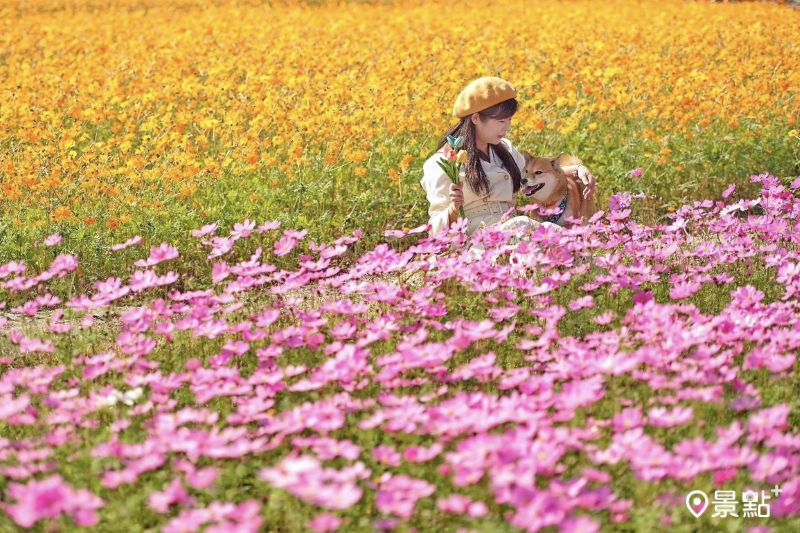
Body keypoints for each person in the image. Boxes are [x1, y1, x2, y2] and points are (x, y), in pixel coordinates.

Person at [420, 76, 596, 237]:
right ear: (475, 118)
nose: (507, 128)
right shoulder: (444, 162)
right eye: (501, 121)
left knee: (564, 240)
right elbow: (435, 229)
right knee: (533, 228)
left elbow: (536, 175)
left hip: (513, 233)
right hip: (476, 241)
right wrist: (453, 208)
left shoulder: (505, 150)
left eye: (510, 120)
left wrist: (578, 170)